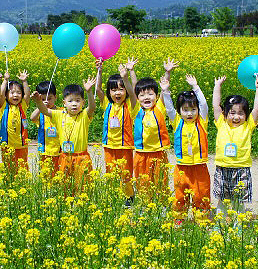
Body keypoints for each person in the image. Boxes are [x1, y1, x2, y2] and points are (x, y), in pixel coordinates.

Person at [31, 76, 97, 194]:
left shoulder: (84, 116)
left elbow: (92, 107)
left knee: (83, 185)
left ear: (83, 102)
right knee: (65, 186)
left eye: (77, 100)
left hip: (81, 157)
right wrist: (38, 101)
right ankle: (68, 205)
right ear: (64, 103)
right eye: (70, 101)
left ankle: (83, 207)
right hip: (64, 156)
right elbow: (45, 111)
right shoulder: (59, 114)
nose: (74, 104)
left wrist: (89, 92)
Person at [161, 73, 210, 223]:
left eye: (193, 110)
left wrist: (196, 88)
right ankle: (179, 218)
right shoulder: (176, 122)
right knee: (180, 194)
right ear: (180, 111)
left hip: (199, 166)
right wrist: (165, 92)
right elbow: (169, 108)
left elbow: (204, 105)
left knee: (201, 193)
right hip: (182, 166)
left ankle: (201, 219)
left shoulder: (202, 121)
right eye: (185, 110)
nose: (189, 113)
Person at [212, 74, 258, 215]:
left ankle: (238, 225)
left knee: (239, 200)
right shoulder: (221, 124)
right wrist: (217, 86)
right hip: (222, 167)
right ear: (225, 113)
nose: (236, 117)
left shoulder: (248, 126)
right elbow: (216, 106)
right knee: (222, 199)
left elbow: (257, 109)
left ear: (246, 115)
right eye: (232, 112)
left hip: (241, 168)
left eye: (241, 113)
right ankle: (220, 224)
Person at [130, 58, 177, 193]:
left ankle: (161, 205)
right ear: (137, 98)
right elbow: (134, 88)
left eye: (150, 94)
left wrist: (167, 72)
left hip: (158, 152)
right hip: (141, 153)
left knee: (160, 181)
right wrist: (131, 71)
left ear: (156, 96)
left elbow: (164, 88)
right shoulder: (136, 110)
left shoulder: (159, 108)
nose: (146, 97)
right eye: (142, 95)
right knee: (141, 182)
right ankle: (144, 205)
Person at [95, 57, 137, 203]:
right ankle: (114, 196)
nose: (117, 93)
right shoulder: (107, 104)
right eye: (113, 90)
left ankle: (129, 198)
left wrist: (128, 74)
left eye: (121, 89)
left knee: (125, 174)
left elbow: (134, 92)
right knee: (111, 173)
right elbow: (98, 89)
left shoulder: (130, 105)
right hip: (109, 146)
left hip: (125, 146)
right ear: (109, 92)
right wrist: (99, 70)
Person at [0, 70, 30, 174]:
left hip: (22, 144)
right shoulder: (3, 106)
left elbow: (27, 95)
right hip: (7, 144)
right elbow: (0, 95)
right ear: (6, 95)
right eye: (12, 92)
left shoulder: (22, 106)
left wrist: (24, 81)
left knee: (22, 168)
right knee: (8, 168)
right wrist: (5, 80)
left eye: (19, 93)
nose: (15, 95)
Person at [30, 81, 61, 175]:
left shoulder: (61, 111)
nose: (46, 101)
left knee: (59, 173)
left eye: (50, 98)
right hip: (45, 151)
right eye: (43, 99)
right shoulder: (41, 113)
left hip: (59, 151)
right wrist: (40, 105)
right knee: (45, 175)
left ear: (55, 97)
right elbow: (32, 118)